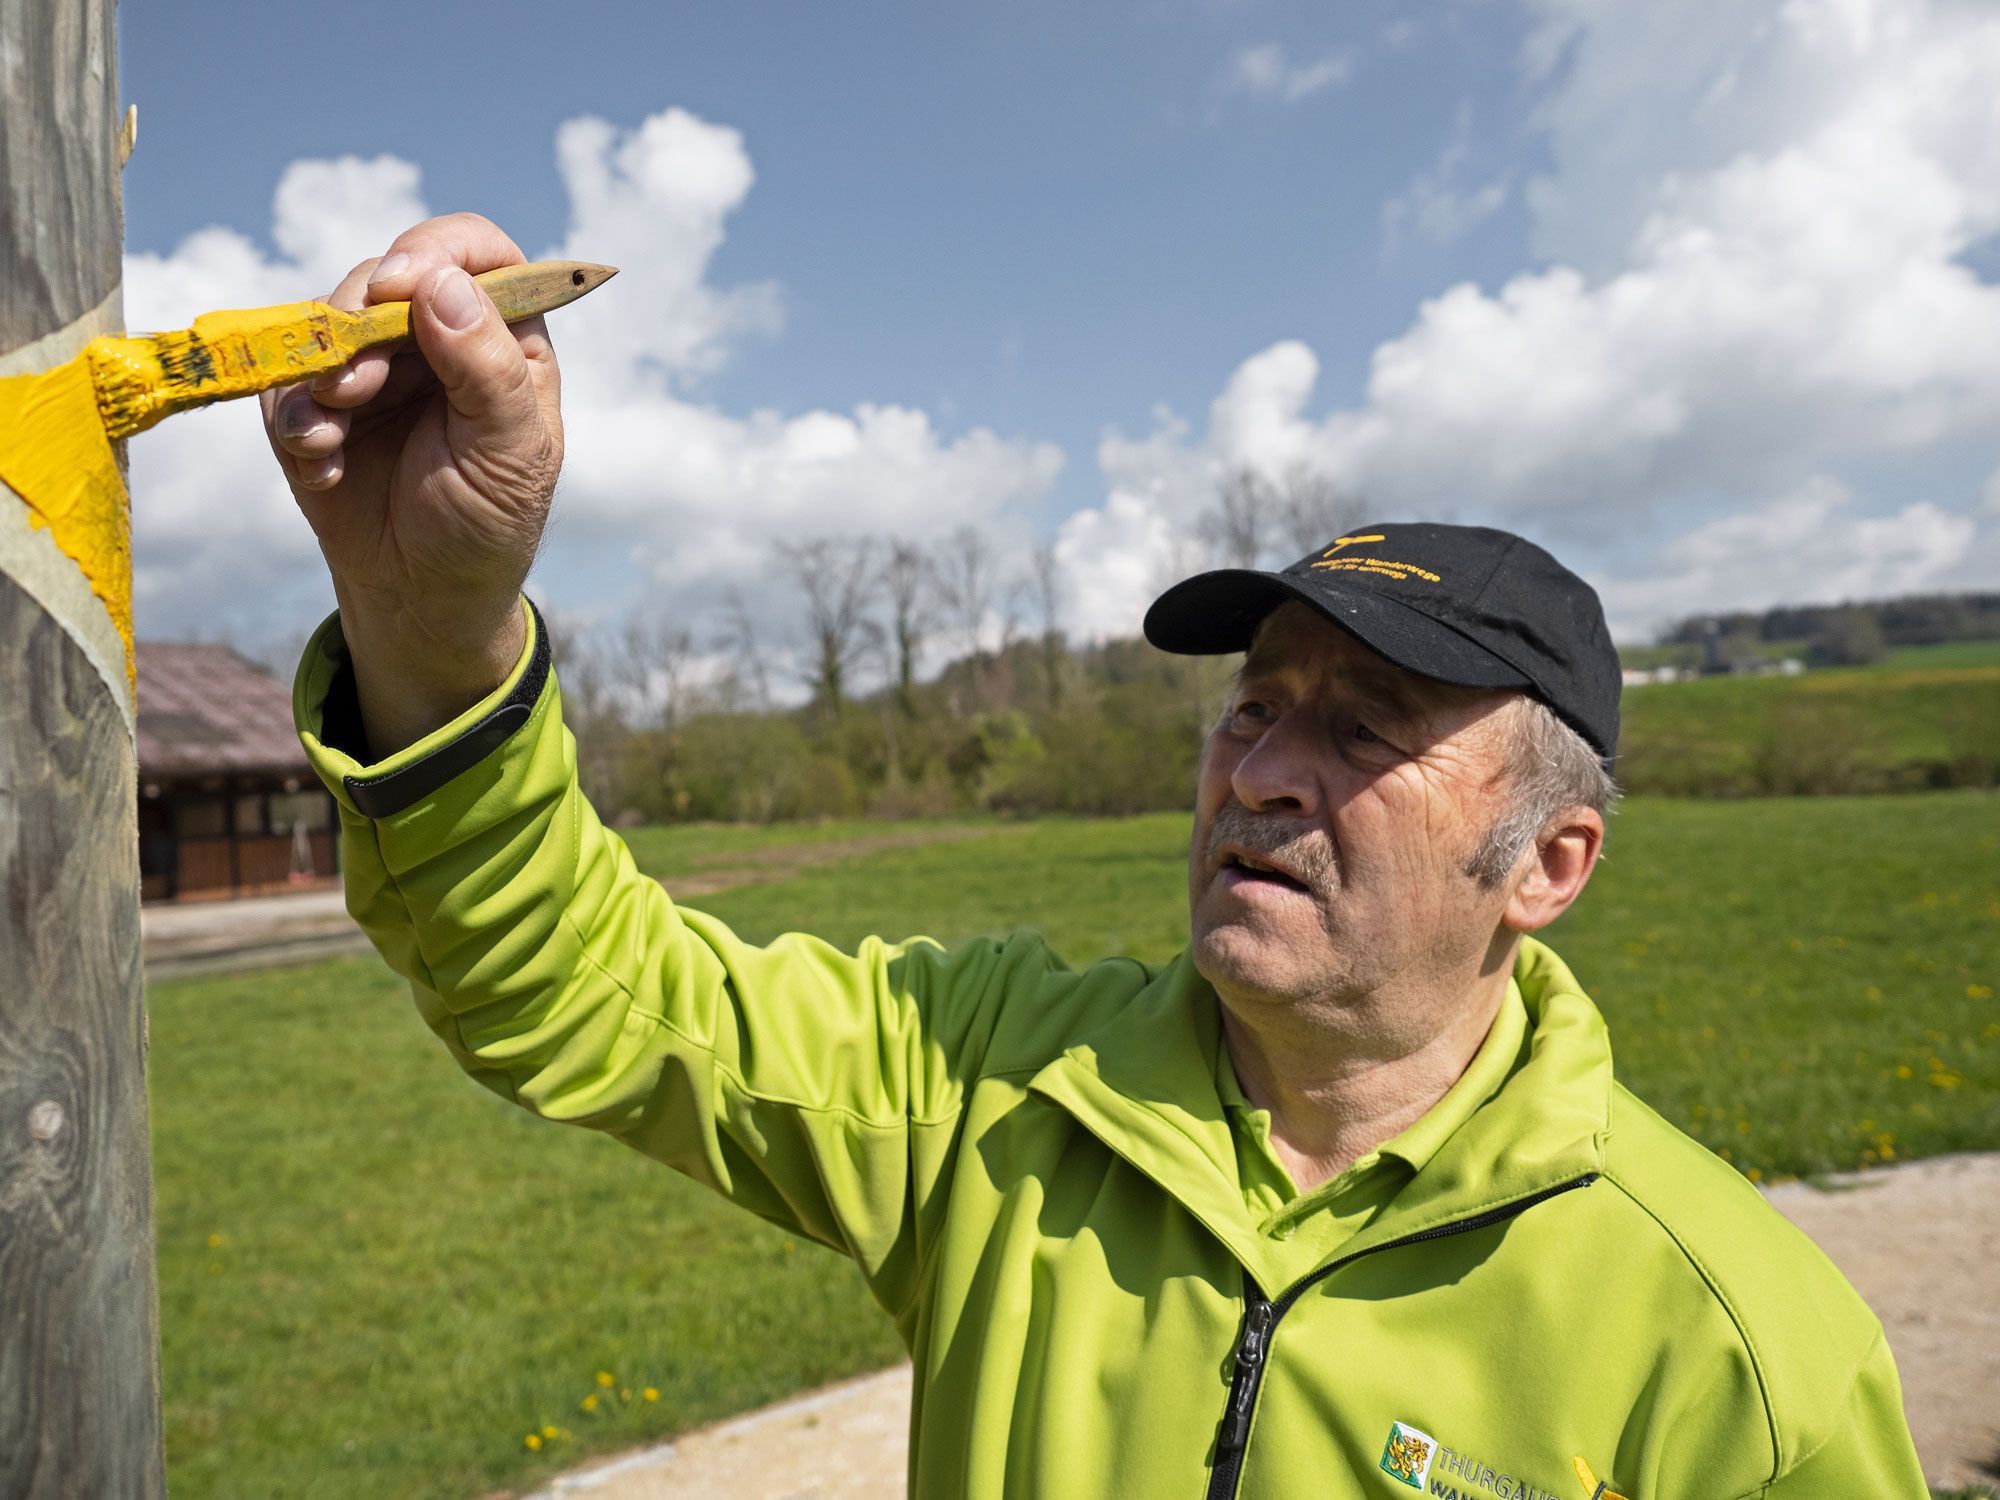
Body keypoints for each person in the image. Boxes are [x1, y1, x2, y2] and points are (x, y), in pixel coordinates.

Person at [265, 214, 1930, 1500]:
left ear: (1547, 862)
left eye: (1362, 729)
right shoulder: (1001, 1086)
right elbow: (580, 988)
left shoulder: (1738, 1345)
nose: (1261, 770)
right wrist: (432, 623)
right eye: (1253, 705)